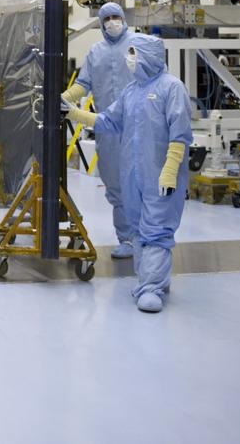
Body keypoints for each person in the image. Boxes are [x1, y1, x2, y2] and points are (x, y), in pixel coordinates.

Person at [68, 34, 193, 313]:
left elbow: (180, 133)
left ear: (150, 55)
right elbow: (108, 121)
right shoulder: (132, 90)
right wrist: (74, 114)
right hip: (134, 174)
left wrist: (170, 169)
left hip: (161, 174)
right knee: (137, 226)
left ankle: (151, 287)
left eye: (134, 53)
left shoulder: (171, 88)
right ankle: (154, 278)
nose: (130, 59)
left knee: (156, 228)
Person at [62, 2, 134, 259]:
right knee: (114, 183)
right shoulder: (96, 52)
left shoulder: (139, 44)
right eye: (108, 18)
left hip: (140, 126)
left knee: (143, 182)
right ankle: (127, 239)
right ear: (101, 23)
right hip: (108, 129)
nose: (113, 22)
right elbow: (84, 83)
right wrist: (64, 98)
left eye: (117, 17)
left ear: (124, 19)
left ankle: (148, 237)